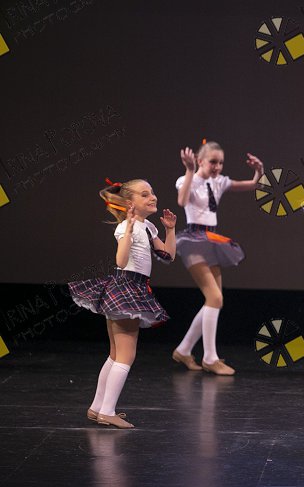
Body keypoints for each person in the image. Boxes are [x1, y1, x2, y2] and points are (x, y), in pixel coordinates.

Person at [69, 178, 176, 428]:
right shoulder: (125, 227)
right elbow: (121, 260)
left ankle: (98, 407)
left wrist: (170, 230)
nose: (152, 197)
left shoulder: (148, 227)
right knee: (127, 355)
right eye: (144, 194)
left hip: (134, 287)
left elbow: (167, 256)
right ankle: (107, 411)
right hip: (126, 287)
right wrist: (127, 232)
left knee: (116, 354)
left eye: (152, 192)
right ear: (130, 203)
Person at [171, 141, 264, 375]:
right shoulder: (187, 179)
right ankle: (210, 358)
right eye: (213, 162)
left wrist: (259, 171)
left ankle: (184, 350)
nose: (218, 167)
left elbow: (252, 185)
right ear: (200, 160)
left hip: (211, 241)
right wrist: (190, 171)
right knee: (214, 298)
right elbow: (182, 201)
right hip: (193, 241)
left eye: (221, 162)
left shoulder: (218, 181)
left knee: (215, 301)